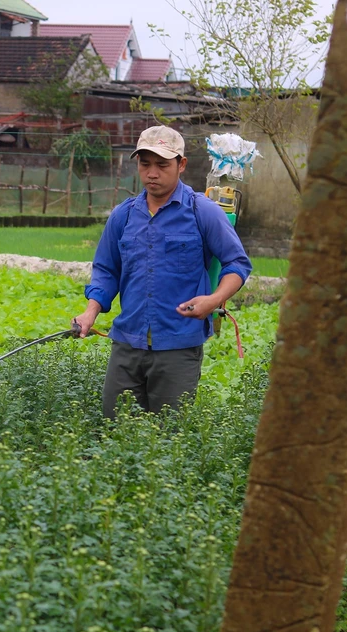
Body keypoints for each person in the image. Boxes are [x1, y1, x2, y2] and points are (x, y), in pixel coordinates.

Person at [73, 125, 252, 419]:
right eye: (145, 164)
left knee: (171, 437)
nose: (152, 173)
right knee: (115, 429)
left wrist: (213, 299)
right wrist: (91, 311)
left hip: (178, 348)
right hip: (127, 346)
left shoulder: (202, 212)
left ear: (181, 165)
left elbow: (237, 263)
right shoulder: (124, 215)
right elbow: (106, 270)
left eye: (162, 165)